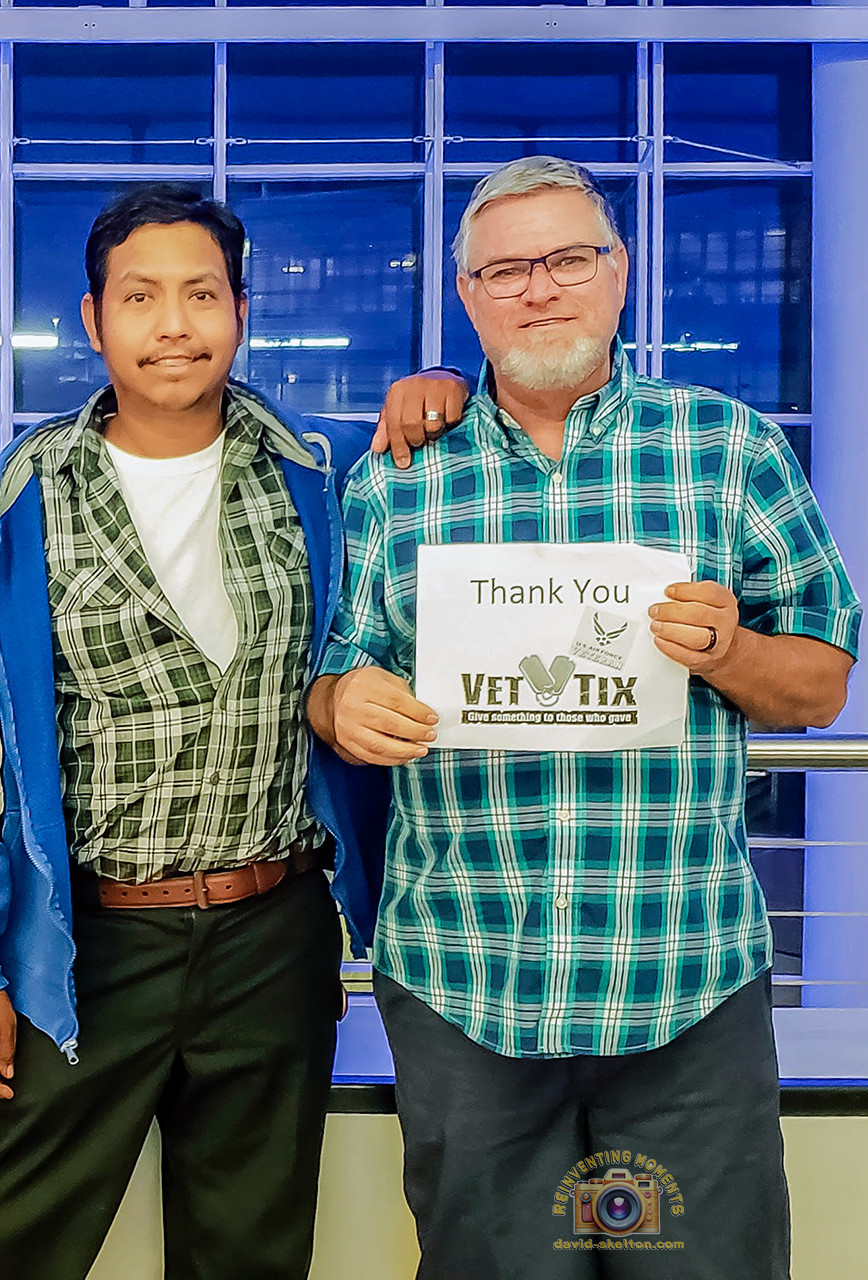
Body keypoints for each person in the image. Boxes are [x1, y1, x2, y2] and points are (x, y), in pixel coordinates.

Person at [0, 183, 469, 1280]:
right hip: (85, 941)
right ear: (93, 318)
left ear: (241, 311)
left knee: (252, 1253)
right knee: (19, 1243)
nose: (174, 325)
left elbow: (449, 461)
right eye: (142, 296)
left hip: (275, 931)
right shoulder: (14, 498)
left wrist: (447, 385)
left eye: (201, 294)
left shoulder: (320, 473)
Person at [311, 155, 859, 1279]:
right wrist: (339, 703)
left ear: (619, 277)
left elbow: (822, 684)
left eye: (568, 259)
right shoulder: (394, 479)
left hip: (685, 975)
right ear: (467, 295)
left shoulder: (730, 448)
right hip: (464, 976)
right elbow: (333, 673)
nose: (538, 289)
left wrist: (737, 650)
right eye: (506, 269)